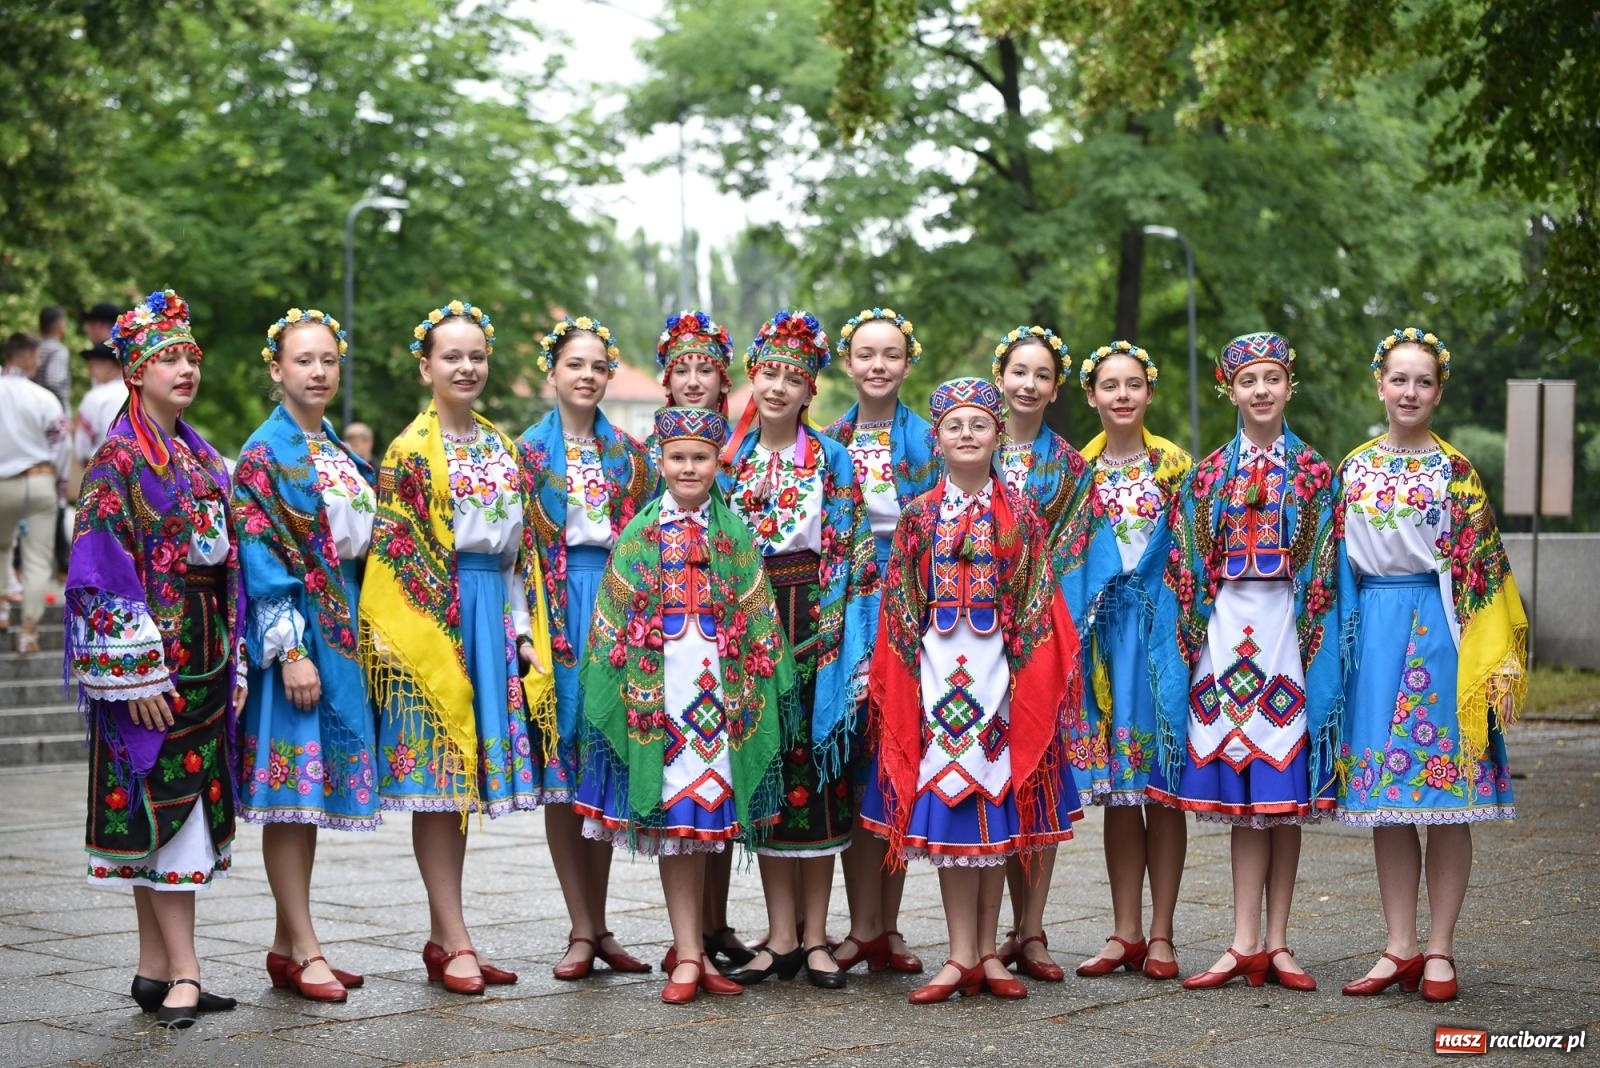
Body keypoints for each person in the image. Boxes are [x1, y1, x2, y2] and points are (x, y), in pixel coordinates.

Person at [862, 376, 1081, 1003]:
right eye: (954, 425)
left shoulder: (1024, 519)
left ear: (997, 435)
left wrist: (1024, 681)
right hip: (937, 679)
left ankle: (988, 951)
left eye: (978, 425)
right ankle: (961, 953)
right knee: (957, 819)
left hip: (1002, 683)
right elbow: (899, 607)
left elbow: (1040, 606)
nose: (966, 435)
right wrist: (910, 682)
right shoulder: (917, 518)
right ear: (938, 437)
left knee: (995, 822)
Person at [1144, 332, 1349, 992]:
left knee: (1284, 795)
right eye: (1248, 380)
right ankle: (1241, 941)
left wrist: (1321, 646)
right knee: (1245, 791)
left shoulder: (1317, 474)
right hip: (1227, 633)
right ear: (1228, 390)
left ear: (1290, 385)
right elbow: (1181, 566)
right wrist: (1187, 640)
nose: (1261, 390)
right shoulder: (1204, 477)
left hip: (1290, 631)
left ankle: (1280, 942)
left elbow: (1327, 568)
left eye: (1272, 378)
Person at [361, 299, 554, 995]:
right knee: (440, 788)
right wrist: (426, 641)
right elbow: (396, 556)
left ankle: (447, 937)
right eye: (452, 356)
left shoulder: (500, 446)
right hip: (431, 620)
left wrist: (524, 634)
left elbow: (515, 556)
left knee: (462, 787)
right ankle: (456, 936)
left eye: (476, 355)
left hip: (490, 618)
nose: (466, 366)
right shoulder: (409, 452)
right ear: (426, 367)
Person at [66, 289, 245, 1028]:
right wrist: (134, 670)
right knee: (170, 815)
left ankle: (154, 968)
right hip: (155, 665)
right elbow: (99, 569)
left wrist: (234, 661)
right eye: (167, 357)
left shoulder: (199, 456)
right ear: (135, 371)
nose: (184, 369)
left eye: (189, 356)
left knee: (179, 812)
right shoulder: (117, 461)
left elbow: (224, 562)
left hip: (202, 652)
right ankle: (187, 974)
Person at [576, 405, 795, 1004]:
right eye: (678, 457)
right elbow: (609, 628)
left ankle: (695, 953)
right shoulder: (638, 537)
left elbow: (759, 624)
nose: (690, 467)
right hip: (663, 701)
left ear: (717, 462)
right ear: (660, 461)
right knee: (678, 826)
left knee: (705, 827)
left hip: (721, 699)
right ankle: (688, 955)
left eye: (701, 457)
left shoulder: (735, 535)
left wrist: (758, 687)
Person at [1335, 328, 1524, 1003]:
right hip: (1371, 637)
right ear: (1379, 385)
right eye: (1399, 379)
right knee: (1387, 805)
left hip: (1440, 635)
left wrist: (1492, 661)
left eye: (1423, 381)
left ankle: (1440, 948)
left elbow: (1484, 569)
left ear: (1438, 391)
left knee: (1448, 802)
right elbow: (1332, 572)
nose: (1410, 391)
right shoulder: (1352, 469)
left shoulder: (1456, 471)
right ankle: (1399, 946)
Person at [720, 308, 875, 991]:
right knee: (767, 780)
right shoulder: (731, 460)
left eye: (794, 377)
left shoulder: (832, 458)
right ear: (752, 379)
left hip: (816, 620)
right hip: (749, 625)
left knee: (821, 784)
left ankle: (817, 935)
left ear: (813, 390)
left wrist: (844, 642)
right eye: (769, 374)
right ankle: (779, 934)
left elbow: (852, 551)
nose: (779, 388)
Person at [232, 308, 380, 1003]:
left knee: (308, 794)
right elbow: (259, 555)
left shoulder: (335, 452)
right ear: (276, 369)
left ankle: (288, 945)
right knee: (291, 796)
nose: (318, 372)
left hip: (341, 622)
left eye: (327, 360)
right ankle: (308, 946)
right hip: (299, 633)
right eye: (303, 361)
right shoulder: (265, 454)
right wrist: (290, 649)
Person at [518, 314, 652, 981]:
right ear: (554, 371)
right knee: (562, 774)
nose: (589, 376)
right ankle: (580, 926)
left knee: (603, 765)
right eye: (576, 364)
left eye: (599, 366)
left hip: (619, 606)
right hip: (553, 607)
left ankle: (601, 924)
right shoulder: (523, 455)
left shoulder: (632, 455)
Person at [1057, 341, 1192, 981]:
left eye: (1133, 385)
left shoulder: (1178, 468)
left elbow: (1195, 556)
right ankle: (1124, 930)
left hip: (1162, 636)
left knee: (1162, 790)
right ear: (1090, 395)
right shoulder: (1074, 470)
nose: (1121, 396)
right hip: (1101, 641)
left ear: (1149, 393)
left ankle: (1162, 934)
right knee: (1116, 791)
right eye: (1109, 386)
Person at [824, 306, 939, 976]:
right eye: (865, 353)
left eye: (890, 354)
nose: (877, 365)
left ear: (907, 362)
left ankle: (886, 926)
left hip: (913, 606)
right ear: (847, 362)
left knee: (896, 760)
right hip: (844, 606)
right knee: (850, 766)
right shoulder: (825, 441)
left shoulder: (931, 440)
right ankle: (858, 921)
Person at [646, 309, 754, 970]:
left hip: (725, 640)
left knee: (721, 785)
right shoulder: (654, 471)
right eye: (680, 368)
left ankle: (714, 925)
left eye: (704, 368)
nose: (692, 379)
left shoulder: (735, 473)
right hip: (667, 644)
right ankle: (689, 933)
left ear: (723, 378)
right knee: (681, 787)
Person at [991, 324, 1086, 982]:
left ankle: (1033, 929)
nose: (1028, 384)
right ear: (1001, 376)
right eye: (1018, 371)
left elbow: (1077, 563)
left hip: (1041, 641)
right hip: (974, 641)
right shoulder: (971, 448)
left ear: (1055, 388)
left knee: (1040, 779)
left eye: (1041, 375)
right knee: (992, 776)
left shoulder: (1072, 469)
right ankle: (993, 925)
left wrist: (1050, 639)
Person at [0, 332, 71, 654]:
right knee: (38, 559)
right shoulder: (43, 397)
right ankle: (28, 632)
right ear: (27, 356)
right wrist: (59, 485)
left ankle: (2, 609)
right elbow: (61, 444)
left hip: (2, 483)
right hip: (40, 480)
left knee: (1, 548)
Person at [76, 338, 130, 463]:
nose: (90, 371)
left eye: (93, 364)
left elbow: (82, 446)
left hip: (102, 468)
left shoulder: (95, 396)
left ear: (108, 365)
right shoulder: (139, 391)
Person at [34, 306, 71, 406]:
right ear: (59, 326)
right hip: (53, 409)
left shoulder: (35, 347)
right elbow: (53, 381)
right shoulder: (58, 350)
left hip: (34, 404)